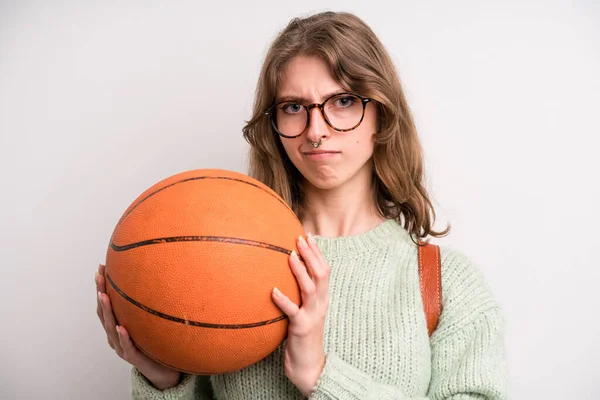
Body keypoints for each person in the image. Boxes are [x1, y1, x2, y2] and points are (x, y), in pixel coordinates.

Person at [95, 11, 508, 400]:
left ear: (381, 112)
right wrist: (166, 380)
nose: (315, 131)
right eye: (293, 108)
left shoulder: (447, 284)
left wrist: (321, 376)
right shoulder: (214, 254)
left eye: (343, 101)